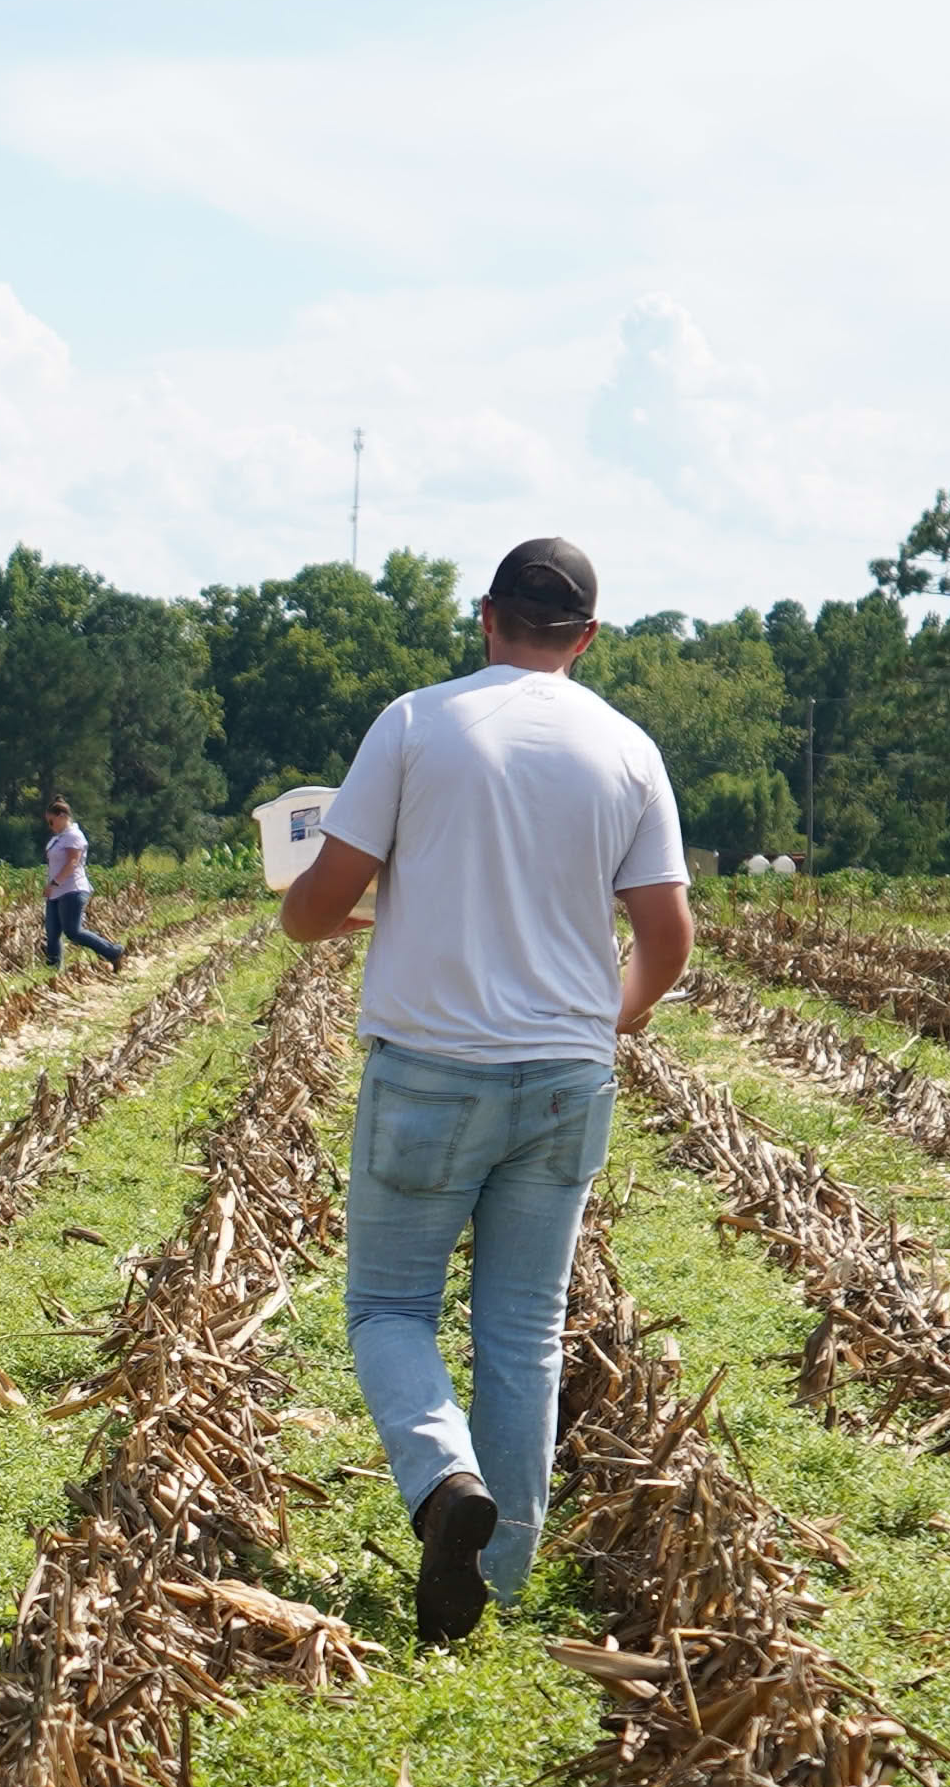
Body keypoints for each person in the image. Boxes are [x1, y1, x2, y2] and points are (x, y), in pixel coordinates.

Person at [276, 537, 689, 1646]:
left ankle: (444, 1479)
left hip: (429, 1067)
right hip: (567, 1076)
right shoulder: (628, 748)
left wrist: (327, 909)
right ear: (588, 638)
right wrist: (606, 1018)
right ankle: (498, 1585)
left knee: (390, 1308)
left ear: (486, 616)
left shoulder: (417, 721)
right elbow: (667, 937)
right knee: (524, 1326)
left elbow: (320, 903)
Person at [37, 799, 130, 968]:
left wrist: (54, 883)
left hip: (72, 890)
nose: (50, 825)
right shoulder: (58, 838)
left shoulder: (74, 835)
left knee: (73, 932)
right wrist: (52, 886)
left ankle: (113, 952)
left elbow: (73, 862)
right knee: (52, 933)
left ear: (63, 816)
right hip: (56, 892)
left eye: (52, 821)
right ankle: (52, 969)